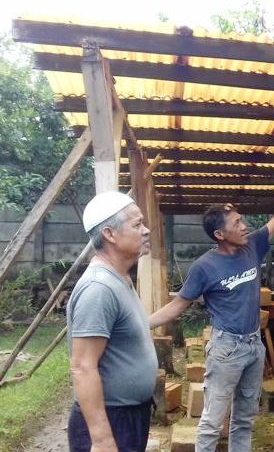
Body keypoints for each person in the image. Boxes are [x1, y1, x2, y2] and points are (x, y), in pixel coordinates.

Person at [148, 164, 274, 451]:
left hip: (254, 345)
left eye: (242, 220)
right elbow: (177, 306)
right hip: (226, 349)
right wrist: (142, 324)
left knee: (245, 417)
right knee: (212, 420)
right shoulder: (204, 267)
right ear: (219, 234)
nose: (244, 226)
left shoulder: (252, 246)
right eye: (237, 224)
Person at [67, 191, 157, 452]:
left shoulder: (120, 279)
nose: (146, 230)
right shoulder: (99, 288)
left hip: (127, 416)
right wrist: (102, 440)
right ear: (109, 234)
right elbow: (83, 367)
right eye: (137, 224)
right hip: (110, 421)